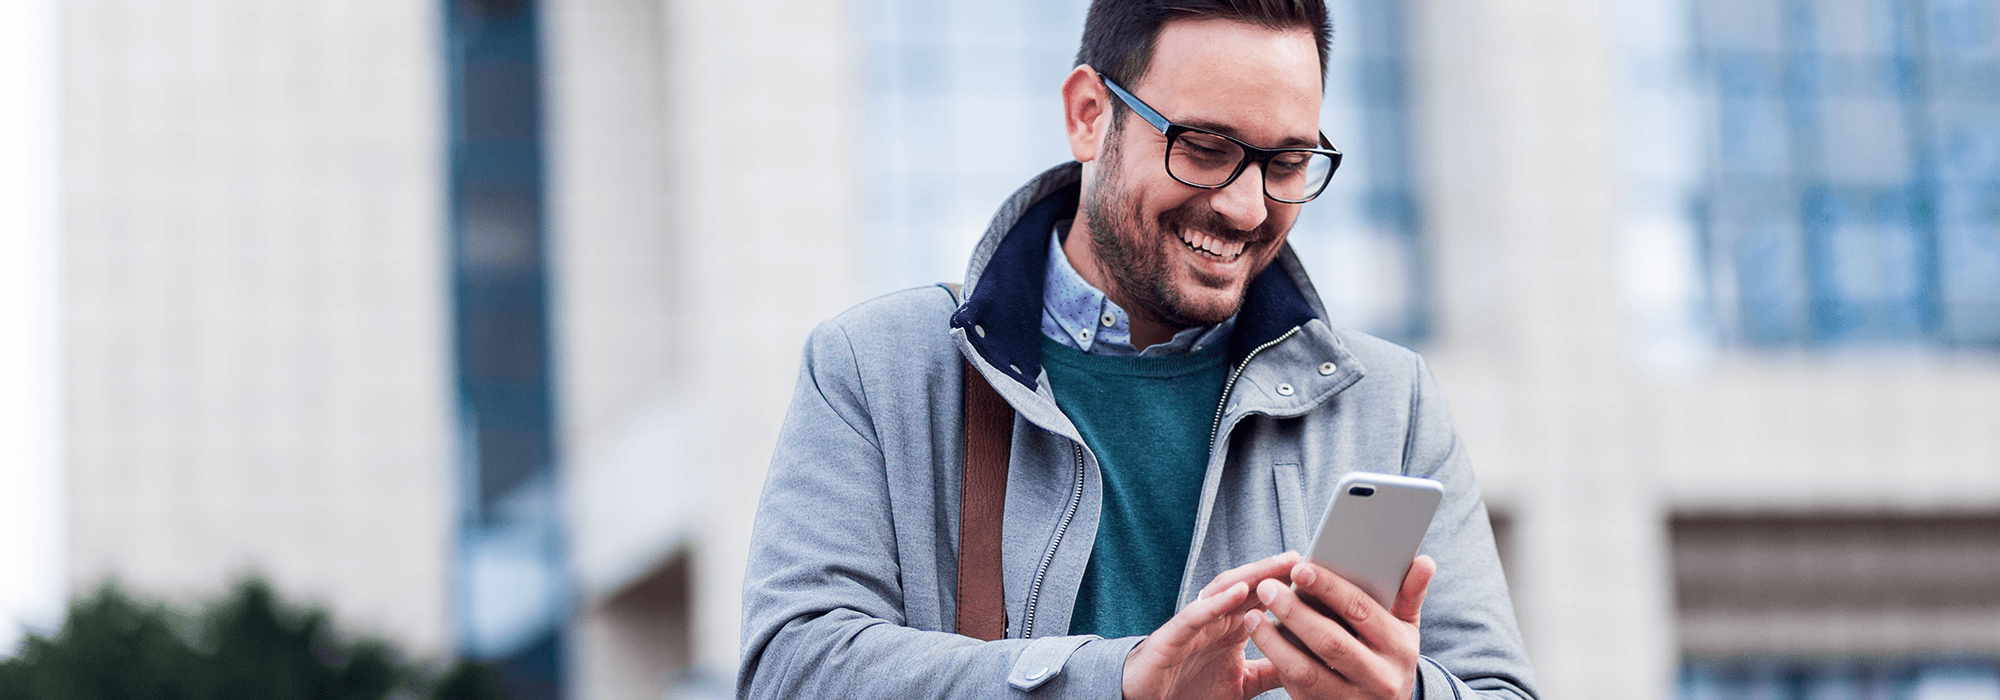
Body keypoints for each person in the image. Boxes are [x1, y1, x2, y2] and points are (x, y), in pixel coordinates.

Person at [739, 0, 1538, 698]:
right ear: (1090, 115)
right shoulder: (876, 369)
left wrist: (1405, 698)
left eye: (1287, 162)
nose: (1246, 205)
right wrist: (1114, 681)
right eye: (1204, 146)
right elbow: (791, 671)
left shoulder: (1391, 403)